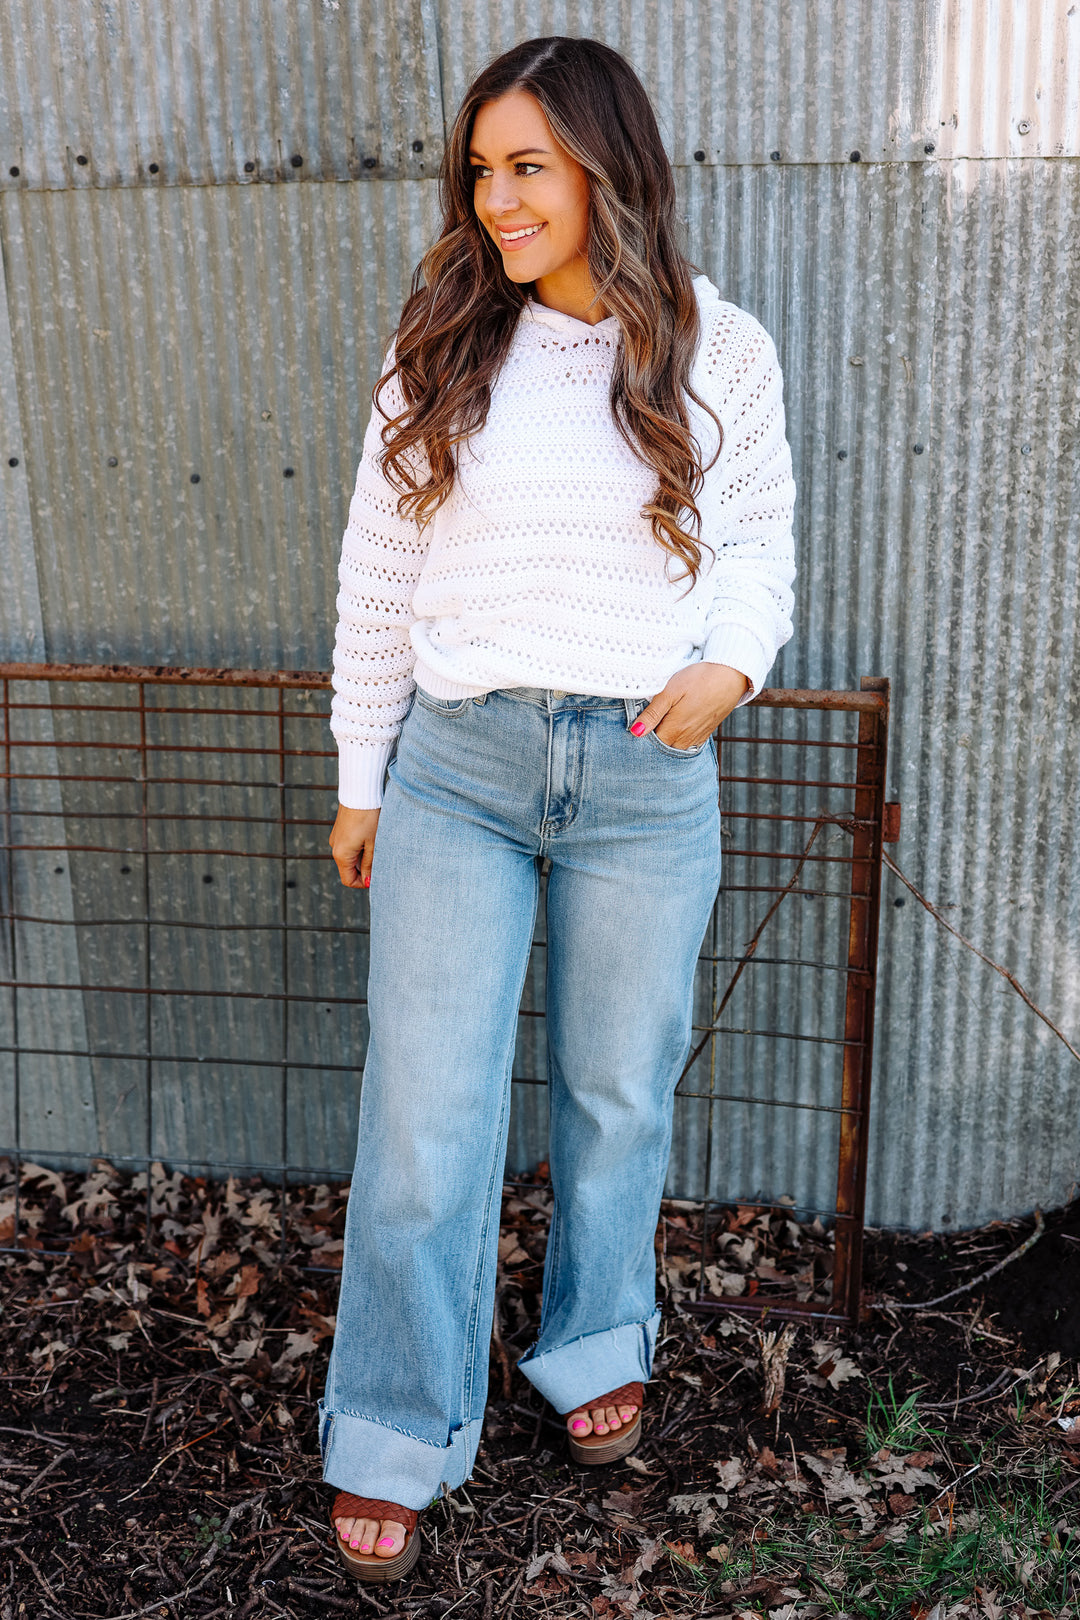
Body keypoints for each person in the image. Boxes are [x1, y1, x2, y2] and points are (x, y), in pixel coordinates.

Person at [319, 34, 796, 1584]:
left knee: (616, 1094)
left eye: (528, 166)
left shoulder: (719, 349)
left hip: (646, 778)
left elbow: (759, 543)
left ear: (605, 167)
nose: (498, 199)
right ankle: (395, 1427)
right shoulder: (444, 346)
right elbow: (379, 573)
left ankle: (594, 1343)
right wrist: (361, 772)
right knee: (423, 1123)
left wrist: (732, 666)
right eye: (482, 169)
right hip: (458, 772)